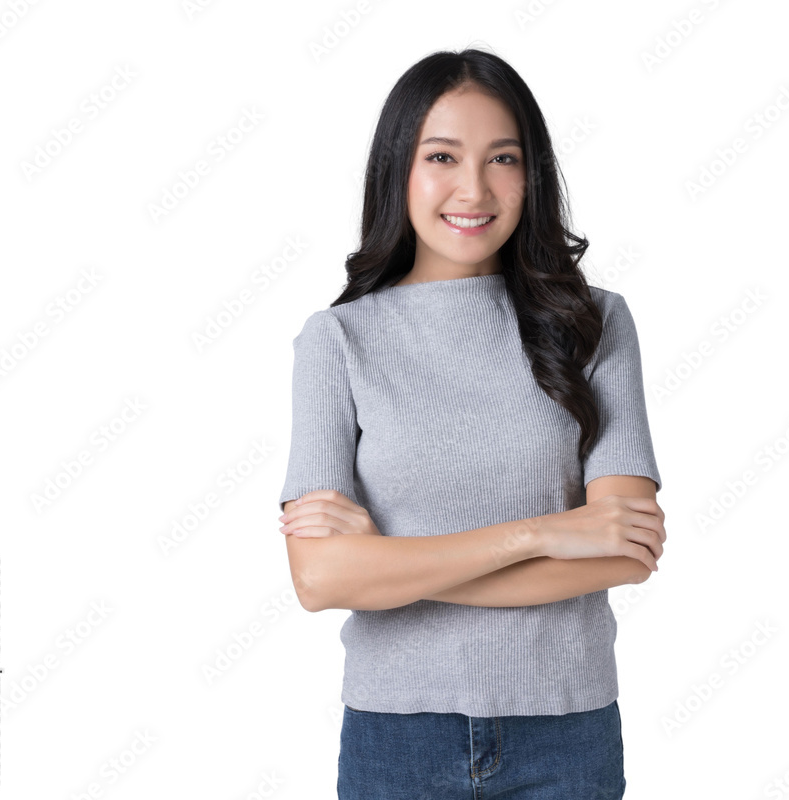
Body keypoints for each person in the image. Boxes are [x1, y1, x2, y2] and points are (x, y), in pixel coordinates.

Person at [276, 46, 666, 799]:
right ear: (400, 171)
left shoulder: (596, 324)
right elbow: (320, 577)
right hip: (397, 734)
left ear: (533, 175)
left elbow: (626, 549)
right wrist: (543, 533)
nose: (474, 188)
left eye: (503, 158)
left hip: (567, 728)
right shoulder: (338, 342)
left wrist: (391, 569)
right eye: (443, 156)